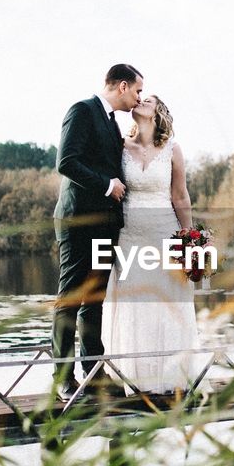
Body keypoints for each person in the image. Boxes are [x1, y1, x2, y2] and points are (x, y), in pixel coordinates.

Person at [51, 63, 142, 398]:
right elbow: (66, 162)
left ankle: (93, 373)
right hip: (78, 222)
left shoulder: (111, 122)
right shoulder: (82, 111)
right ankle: (63, 378)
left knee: (94, 300)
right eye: (137, 90)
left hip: (105, 226)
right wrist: (107, 186)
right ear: (121, 86)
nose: (138, 97)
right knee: (70, 299)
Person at [102, 94, 201, 395]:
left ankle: (171, 379)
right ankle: (133, 378)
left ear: (158, 113)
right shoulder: (119, 146)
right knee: (134, 305)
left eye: (148, 99)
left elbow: (180, 196)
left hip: (164, 233)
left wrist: (189, 239)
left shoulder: (173, 149)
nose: (139, 100)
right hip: (129, 235)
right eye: (139, 96)